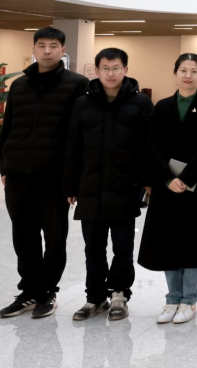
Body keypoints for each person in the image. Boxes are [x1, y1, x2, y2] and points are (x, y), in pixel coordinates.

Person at [0, 27, 89, 319]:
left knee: (54, 236)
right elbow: (8, 127)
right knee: (23, 236)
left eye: (53, 46)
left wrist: (73, 179)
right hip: (18, 173)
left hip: (54, 176)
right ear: (34, 49)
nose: (47, 51)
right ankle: (29, 291)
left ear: (63, 50)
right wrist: (5, 167)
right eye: (41, 45)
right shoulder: (19, 85)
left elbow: (80, 135)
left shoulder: (78, 84)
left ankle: (47, 291)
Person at [64, 48, 154, 321]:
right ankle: (95, 297)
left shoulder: (141, 103)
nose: (111, 73)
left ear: (125, 69)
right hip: (90, 187)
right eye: (105, 68)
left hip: (125, 186)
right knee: (93, 247)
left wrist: (148, 181)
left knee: (123, 247)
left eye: (116, 68)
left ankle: (119, 294)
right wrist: (70, 186)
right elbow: (73, 146)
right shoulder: (83, 103)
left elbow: (150, 146)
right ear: (97, 71)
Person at [138, 53, 197, 325]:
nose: (188, 75)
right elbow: (152, 145)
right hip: (167, 185)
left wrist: (185, 178)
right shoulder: (162, 106)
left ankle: (189, 300)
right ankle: (172, 298)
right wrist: (167, 178)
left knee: (194, 242)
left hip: (196, 185)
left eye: (194, 71)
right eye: (183, 70)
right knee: (168, 241)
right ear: (175, 73)